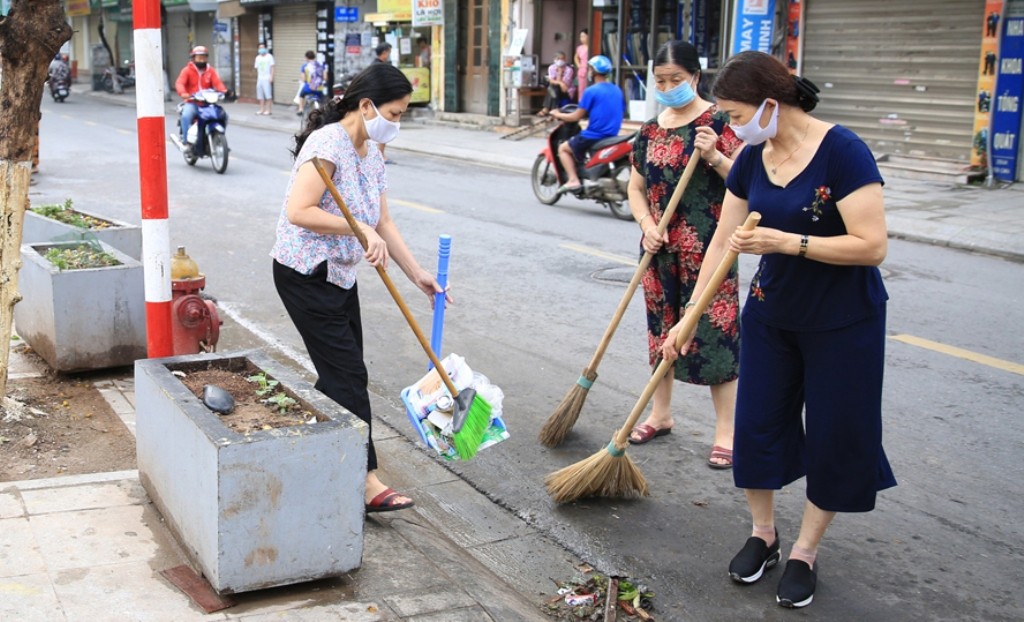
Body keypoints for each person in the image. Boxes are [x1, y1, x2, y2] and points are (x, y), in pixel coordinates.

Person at [661, 51, 895, 609]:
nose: (729, 125)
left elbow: (873, 246)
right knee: (758, 427)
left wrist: (788, 242)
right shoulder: (749, 158)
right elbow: (722, 240)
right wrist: (688, 317)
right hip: (771, 316)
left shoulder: (843, 152)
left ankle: (805, 552)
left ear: (772, 103)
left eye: (736, 113)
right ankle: (764, 535)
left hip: (843, 323)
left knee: (837, 435)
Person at [271, 63, 448, 514]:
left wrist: (417, 274)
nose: (398, 121)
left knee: (341, 374)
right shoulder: (327, 143)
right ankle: (365, 480)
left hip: (339, 274)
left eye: (404, 113)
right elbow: (299, 210)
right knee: (349, 375)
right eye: (396, 112)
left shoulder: (372, 148)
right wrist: (358, 230)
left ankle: (318, 451)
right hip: (305, 272)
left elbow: (383, 221)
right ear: (366, 105)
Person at [626, 41, 742, 471]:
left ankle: (726, 433)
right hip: (659, 250)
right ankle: (661, 414)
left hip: (709, 250)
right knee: (661, 333)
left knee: (715, 334)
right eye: (660, 81)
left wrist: (714, 155)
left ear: (696, 76)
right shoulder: (651, 129)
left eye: (676, 80)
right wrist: (647, 226)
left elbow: (745, 184)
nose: (668, 87)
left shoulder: (719, 123)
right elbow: (636, 189)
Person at [550, 54, 624, 193]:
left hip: (594, 135)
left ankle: (573, 180)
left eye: (590, 69)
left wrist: (558, 114)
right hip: (612, 135)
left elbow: (576, 116)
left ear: (594, 71)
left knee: (563, 149)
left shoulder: (591, 91)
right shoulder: (617, 90)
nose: (589, 71)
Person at [174, 46, 227, 146]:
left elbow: (218, 83)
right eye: (199, 58)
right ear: (193, 58)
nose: (202, 60)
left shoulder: (210, 71)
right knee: (186, 116)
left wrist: (224, 91)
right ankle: (186, 142)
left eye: (204, 57)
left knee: (224, 115)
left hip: (207, 103)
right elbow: (179, 83)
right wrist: (183, 93)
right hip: (192, 102)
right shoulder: (187, 70)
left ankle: (217, 136)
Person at [537, 51, 575, 117]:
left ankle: (546, 109)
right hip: (557, 89)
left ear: (565, 59)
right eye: (558, 59)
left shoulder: (569, 70)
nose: (560, 61)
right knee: (554, 87)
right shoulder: (551, 68)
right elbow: (551, 80)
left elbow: (565, 85)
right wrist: (560, 83)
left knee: (553, 87)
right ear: (555, 59)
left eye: (562, 59)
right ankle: (555, 109)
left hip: (566, 91)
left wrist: (560, 74)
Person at [296, 50, 327, 116]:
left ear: (306, 57)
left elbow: (304, 79)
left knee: (301, 95)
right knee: (322, 100)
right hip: (319, 88)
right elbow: (325, 77)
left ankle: (300, 109)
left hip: (309, 88)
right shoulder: (321, 64)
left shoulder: (305, 66)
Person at [254, 45, 275, 115]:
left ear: (265, 48)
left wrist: (271, 77)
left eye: (262, 48)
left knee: (268, 94)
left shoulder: (269, 57)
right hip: (260, 78)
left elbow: (272, 67)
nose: (261, 49)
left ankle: (269, 110)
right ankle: (261, 109)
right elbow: (257, 68)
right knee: (260, 95)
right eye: (259, 48)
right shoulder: (257, 58)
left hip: (267, 77)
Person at [573, 29, 589, 102]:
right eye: (581, 36)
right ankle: (581, 105)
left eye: (584, 36)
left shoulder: (592, 46)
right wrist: (579, 65)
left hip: (590, 69)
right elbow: (576, 57)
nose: (582, 38)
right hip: (582, 70)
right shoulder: (579, 48)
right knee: (581, 89)